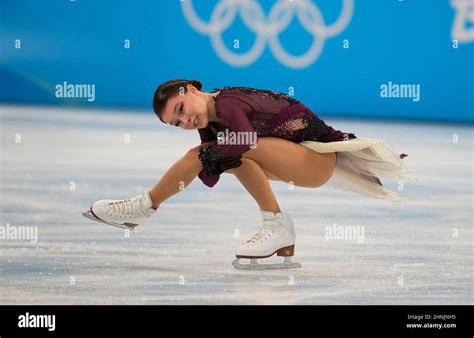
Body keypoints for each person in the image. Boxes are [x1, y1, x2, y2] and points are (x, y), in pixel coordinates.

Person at [83, 79, 418, 269]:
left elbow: (243, 141)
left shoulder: (227, 104)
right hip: (297, 160)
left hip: (316, 161)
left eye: (181, 110)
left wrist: (208, 157)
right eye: (177, 123)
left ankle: (145, 207)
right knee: (227, 154)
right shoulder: (213, 122)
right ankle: (276, 226)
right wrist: (210, 158)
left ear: (191, 89)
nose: (185, 122)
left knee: (232, 147)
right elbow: (212, 174)